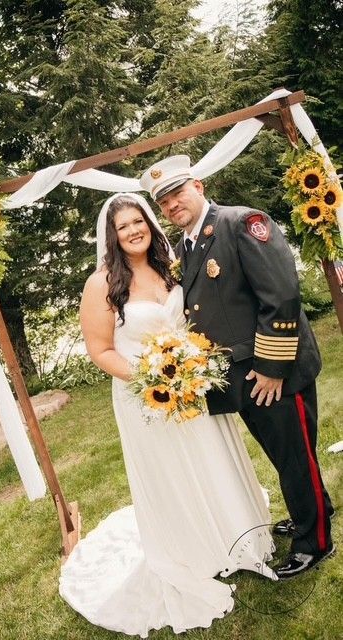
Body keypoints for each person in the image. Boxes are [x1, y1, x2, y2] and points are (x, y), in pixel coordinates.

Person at [59, 192, 277, 638]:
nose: (133, 231)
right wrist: (152, 379)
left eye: (138, 221)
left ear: (149, 223)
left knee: (211, 456)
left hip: (193, 386)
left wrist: (190, 370)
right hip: (146, 398)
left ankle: (234, 533)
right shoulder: (101, 284)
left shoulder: (171, 265)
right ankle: (192, 550)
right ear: (112, 236)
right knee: (171, 470)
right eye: (123, 227)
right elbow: (100, 350)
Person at [140, 155, 335, 579]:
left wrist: (272, 367)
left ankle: (315, 541)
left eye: (177, 193)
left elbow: (281, 295)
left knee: (295, 459)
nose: (172, 205)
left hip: (274, 373)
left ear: (198, 186)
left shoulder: (242, 222)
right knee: (286, 457)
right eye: (164, 202)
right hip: (243, 377)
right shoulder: (187, 245)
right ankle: (314, 511)